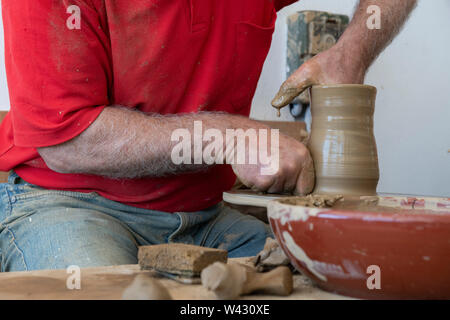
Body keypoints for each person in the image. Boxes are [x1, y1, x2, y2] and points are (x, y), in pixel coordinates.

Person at [0, 0, 416, 271]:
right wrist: (228, 137)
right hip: (69, 201)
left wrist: (350, 56)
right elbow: (68, 141)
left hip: (206, 215)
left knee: (337, 277)